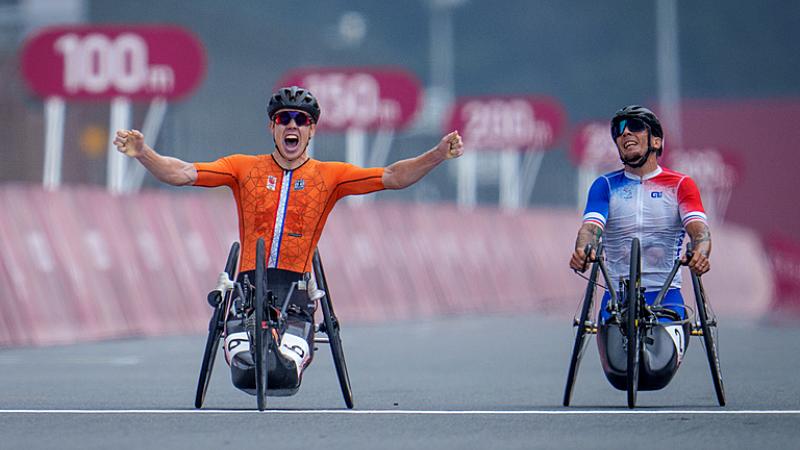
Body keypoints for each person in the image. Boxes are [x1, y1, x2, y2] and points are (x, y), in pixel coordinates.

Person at [114, 86, 464, 396]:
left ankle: (285, 354)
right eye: (284, 119)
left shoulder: (331, 176)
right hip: (250, 283)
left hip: (297, 288)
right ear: (273, 127)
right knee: (246, 368)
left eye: (301, 119)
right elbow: (182, 172)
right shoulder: (242, 167)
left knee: (284, 372)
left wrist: (436, 154)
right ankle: (249, 348)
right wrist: (144, 152)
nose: (292, 125)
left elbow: (392, 176)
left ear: (311, 129)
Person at [568, 105, 712, 391]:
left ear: (656, 141)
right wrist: (583, 250)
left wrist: (701, 251)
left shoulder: (681, 184)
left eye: (634, 126)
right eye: (618, 130)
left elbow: (698, 229)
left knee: (653, 375)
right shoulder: (604, 185)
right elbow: (591, 228)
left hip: (666, 293)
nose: (625, 133)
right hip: (617, 298)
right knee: (622, 377)